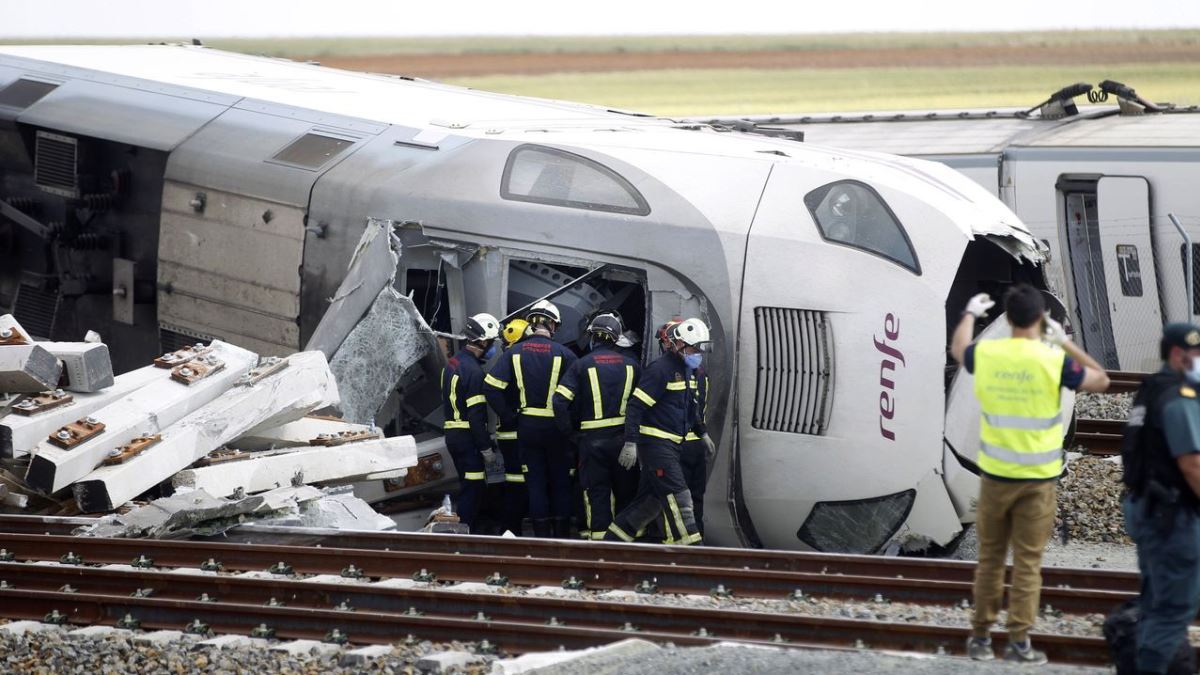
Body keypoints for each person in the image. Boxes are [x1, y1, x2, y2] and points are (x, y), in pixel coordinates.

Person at [950, 284, 1109, 664]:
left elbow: (958, 351)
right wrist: (1064, 342)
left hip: (995, 479)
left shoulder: (990, 353)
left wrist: (970, 314)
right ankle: (1019, 641)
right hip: (1037, 481)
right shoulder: (1053, 360)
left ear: (1007, 319)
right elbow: (1101, 379)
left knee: (989, 561)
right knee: (1027, 563)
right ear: (1041, 320)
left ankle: (981, 638)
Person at [1120, 323, 1200, 674]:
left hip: (1147, 509)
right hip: (1173, 517)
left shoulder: (1150, 390)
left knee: (1155, 602)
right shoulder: (1179, 398)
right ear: (1180, 354)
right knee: (1173, 610)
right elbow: (1192, 464)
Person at [605, 317, 710, 546]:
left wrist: (701, 432)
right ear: (677, 344)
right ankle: (692, 552)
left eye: (699, 348)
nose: (696, 352)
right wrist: (631, 443)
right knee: (679, 498)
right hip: (656, 445)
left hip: (674, 444)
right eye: (693, 347)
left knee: (648, 503)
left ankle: (611, 544)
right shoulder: (660, 369)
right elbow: (636, 406)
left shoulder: (687, 369)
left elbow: (689, 407)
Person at [485, 300, 578, 538]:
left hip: (527, 427)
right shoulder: (565, 354)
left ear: (532, 323)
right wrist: (570, 427)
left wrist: (508, 415)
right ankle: (562, 536)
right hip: (557, 429)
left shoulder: (515, 352)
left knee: (535, 483)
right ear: (553, 325)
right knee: (560, 482)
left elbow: (492, 387)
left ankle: (541, 536)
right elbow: (579, 394)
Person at [552, 313, 641, 540]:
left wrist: (571, 434)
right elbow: (643, 406)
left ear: (593, 337)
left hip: (591, 442)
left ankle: (601, 545)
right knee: (626, 493)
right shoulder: (632, 366)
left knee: (597, 493)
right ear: (616, 338)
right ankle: (626, 544)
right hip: (624, 442)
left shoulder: (581, 365)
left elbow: (560, 401)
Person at [440, 312, 501, 532]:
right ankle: (463, 534)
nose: (492, 347)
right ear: (483, 341)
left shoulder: (452, 364)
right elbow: (476, 417)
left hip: (453, 436)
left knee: (468, 486)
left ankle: (468, 530)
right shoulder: (474, 372)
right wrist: (485, 448)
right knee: (473, 488)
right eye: (492, 342)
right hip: (467, 439)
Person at [496, 317, 530, 535]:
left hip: (507, 433)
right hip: (514, 432)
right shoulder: (514, 360)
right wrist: (511, 417)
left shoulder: (509, 358)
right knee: (518, 484)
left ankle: (511, 527)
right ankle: (511, 529)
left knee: (514, 483)